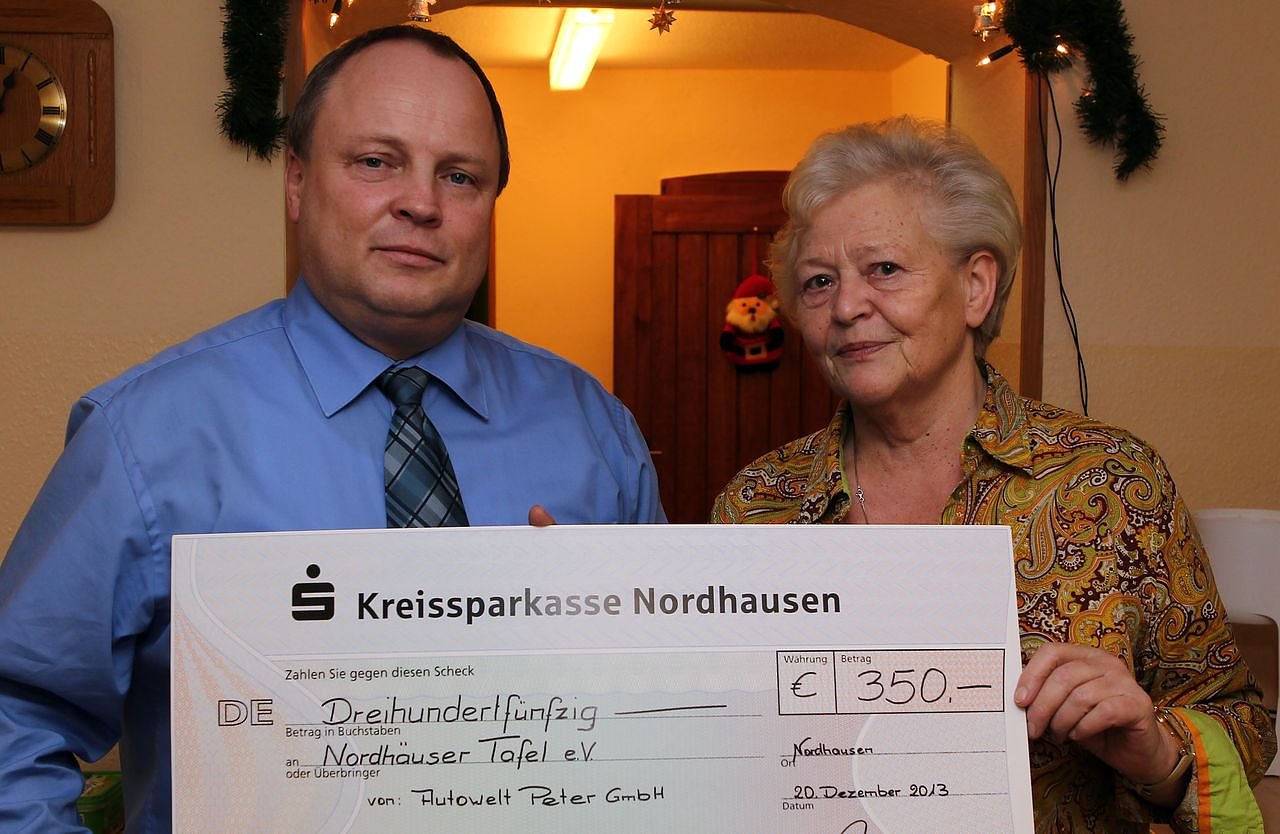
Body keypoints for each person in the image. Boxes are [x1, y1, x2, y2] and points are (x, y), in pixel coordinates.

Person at [0, 25, 663, 831]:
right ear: (296, 182)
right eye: (376, 161)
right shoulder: (146, 436)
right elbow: (16, 714)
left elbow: (670, 706)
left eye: (460, 176)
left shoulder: (595, 432)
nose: (421, 203)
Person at [711, 116, 1274, 831]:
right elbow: (711, 738)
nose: (847, 307)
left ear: (976, 286)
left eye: (884, 269)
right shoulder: (756, 505)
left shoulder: (1110, 482)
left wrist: (1157, 752)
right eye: (820, 282)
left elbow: (1238, 721)